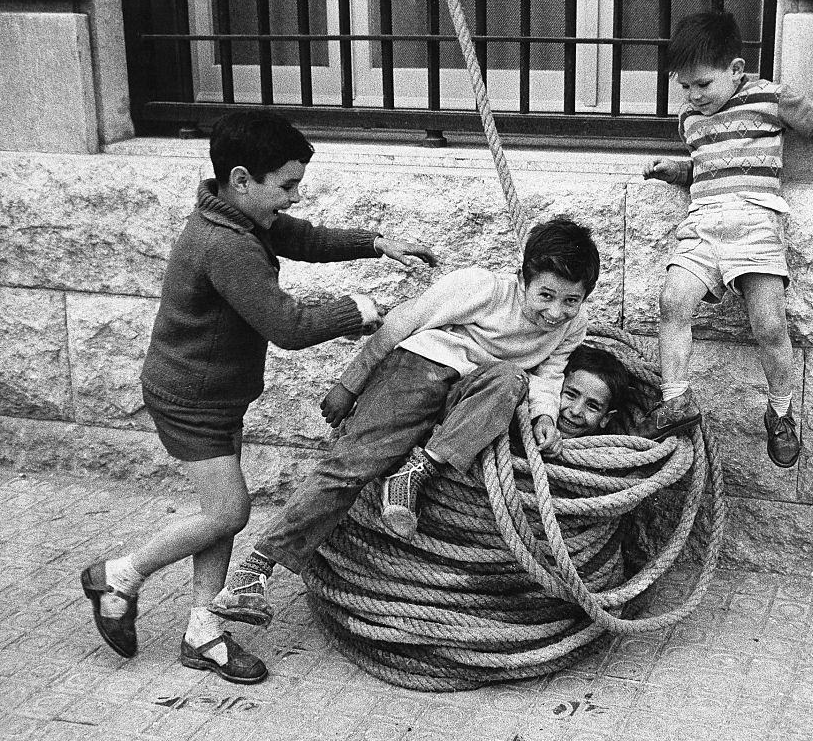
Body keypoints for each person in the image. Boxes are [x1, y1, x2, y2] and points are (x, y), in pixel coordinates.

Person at [80, 112, 436, 685]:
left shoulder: (241, 220)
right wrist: (358, 311)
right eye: (287, 186)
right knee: (229, 511)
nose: (293, 199)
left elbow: (302, 237)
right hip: (189, 399)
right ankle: (118, 575)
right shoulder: (226, 246)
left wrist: (377, 242)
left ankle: (203, 631)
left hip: (217, 395)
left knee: (222, 516)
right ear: (242, 180)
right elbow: (287, 325)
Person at [209, 218, 601, 629]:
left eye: (570, 301)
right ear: (523, 278)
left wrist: (544, 415)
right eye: (546, 295)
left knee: (511, 379)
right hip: (420, 368)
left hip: (468, 395)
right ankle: (253, 572)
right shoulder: (481, 287)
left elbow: (549, 375)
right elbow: (400, 323)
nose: (556, 312)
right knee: (353, 464)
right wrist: (350, 383)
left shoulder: (574, 325)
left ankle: (415, 471)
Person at [639, 10, 813, 469]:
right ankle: (676, 398)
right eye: (684, 86)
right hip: (704, 221)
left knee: (768, 323)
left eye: (703, 85)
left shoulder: (769, 97)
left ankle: (781, 411)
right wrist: (679, 172)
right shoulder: (690, 118)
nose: (693, 96)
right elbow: (711, 168)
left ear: (735, 70)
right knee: (672, 301)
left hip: (755, 222)